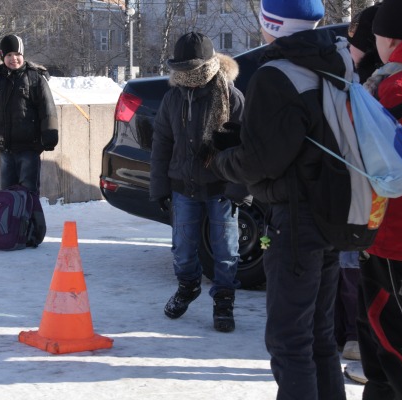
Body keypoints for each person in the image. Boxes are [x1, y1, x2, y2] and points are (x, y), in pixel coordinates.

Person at [209, 0, 352, 398]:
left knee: (289, 342)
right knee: (320, 337)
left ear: (270, 23)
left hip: (295, 220)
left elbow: (261, 160)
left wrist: (223, 160)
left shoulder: (276, 75)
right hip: (332, 213)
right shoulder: (336, 61)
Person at [150, 32, 244, 333]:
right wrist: (160, 188)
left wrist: (239, 189)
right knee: (182, 249)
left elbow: (244, 148)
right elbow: (162, 144)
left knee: (226, 251)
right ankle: (188, 286)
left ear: (204, 65)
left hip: (221, 188)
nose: (183, 75)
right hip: (183, 186)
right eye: (179, 68)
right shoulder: (173, 97)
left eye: (189, 68)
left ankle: (224, 301)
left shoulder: (231, 97)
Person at [355, 0, 402, 398]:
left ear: (391, 39)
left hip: (398, 236)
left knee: (398, 346)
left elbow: (391, 168)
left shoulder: (399, 86)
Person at [336, 3, 383, 363]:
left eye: (353, 39)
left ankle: (359, 337)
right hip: (360, 195)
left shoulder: (375, 84)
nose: (346, 45)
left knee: (358, 266)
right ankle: (352, 333)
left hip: (371, 198)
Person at [0, 34, 58, 193]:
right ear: (2, 56)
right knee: (8, 190)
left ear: (23, 55)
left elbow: (47, 109)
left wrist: (49, 137)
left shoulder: (35, 78)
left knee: (28, 190)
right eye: (9, 55)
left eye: (18, 54)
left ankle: (29, 217)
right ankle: (10, 218)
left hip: (29, 147)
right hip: (4, 147)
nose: (14, 59)